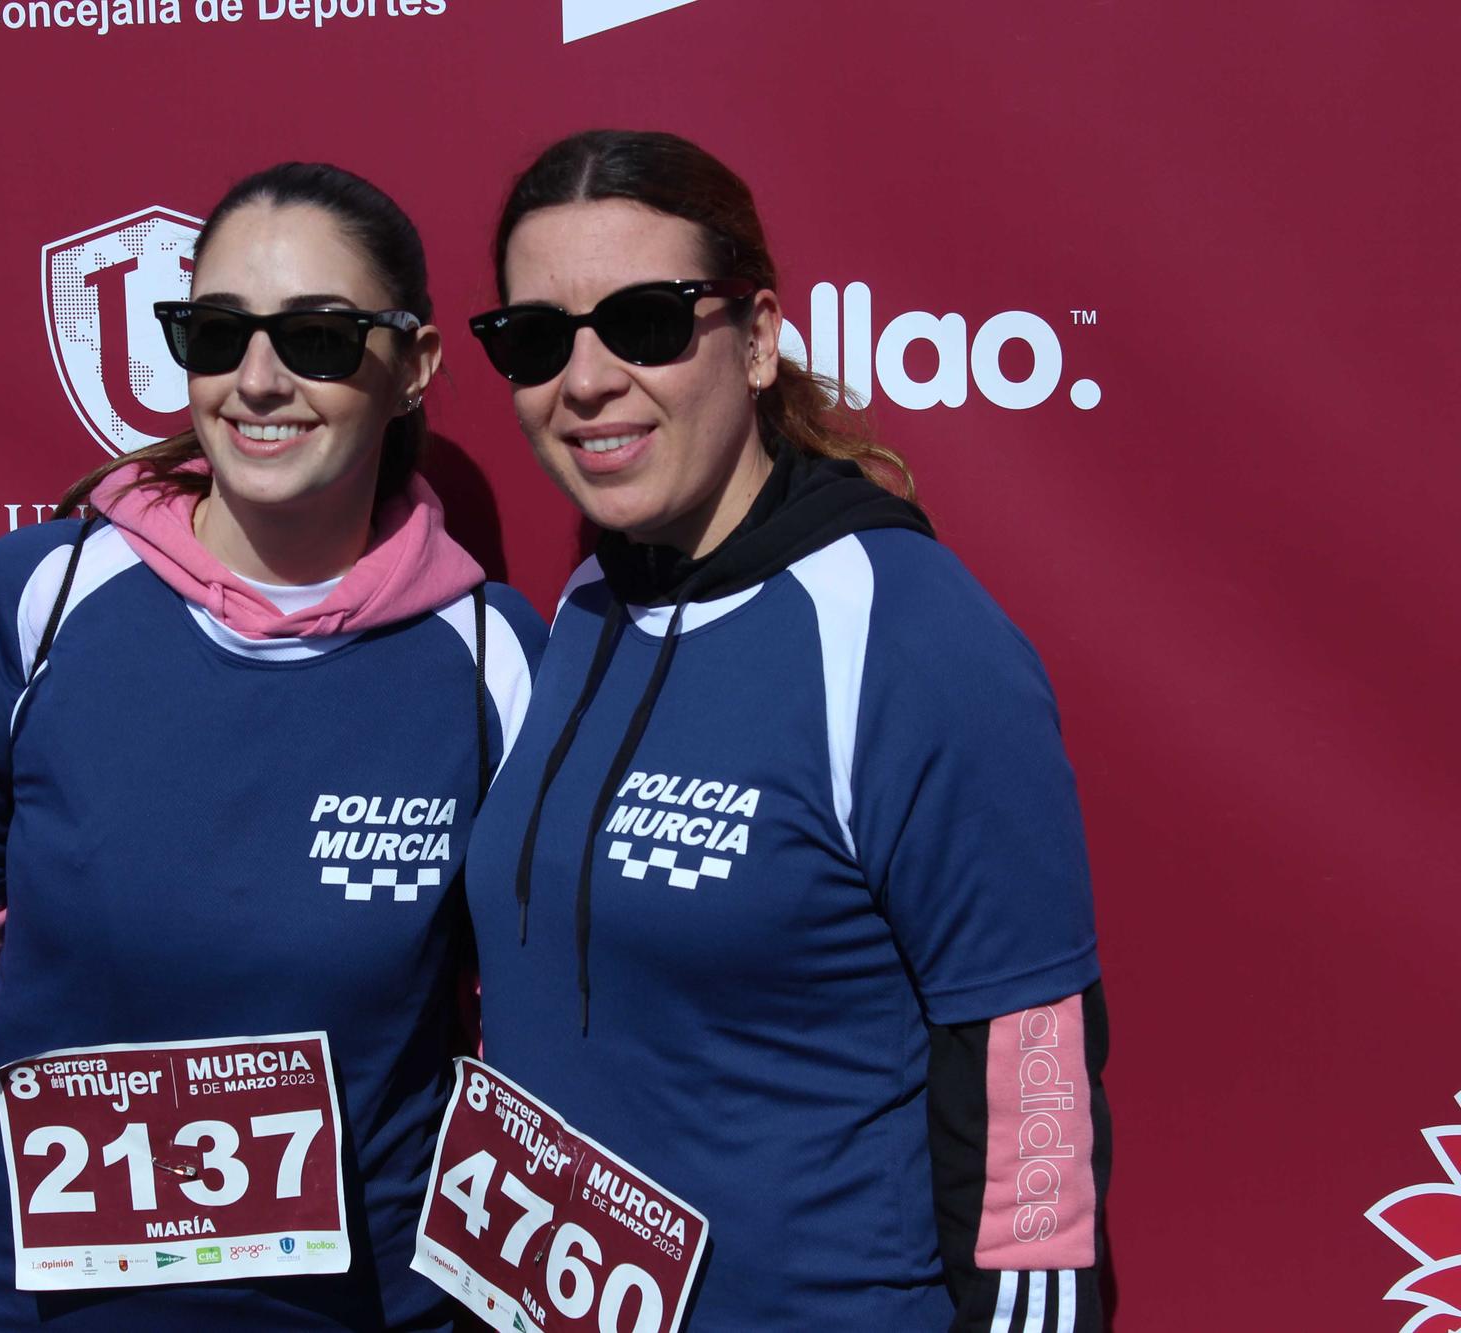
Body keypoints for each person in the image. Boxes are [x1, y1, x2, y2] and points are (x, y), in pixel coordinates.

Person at [0, 161, 545, 1333]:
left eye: (317, 338)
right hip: (24, 1311)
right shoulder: (36, 603)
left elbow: (533, 1046)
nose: (257, 380)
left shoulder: (496, 661)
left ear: (413, 368)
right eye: (215, 333)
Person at [462, 129, 1111, 1331]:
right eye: (536, 340)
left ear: (757, 338)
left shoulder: (905, 634)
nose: (586, 379)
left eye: (646, 320)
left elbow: (1032, 1090)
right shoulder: (589, 601)